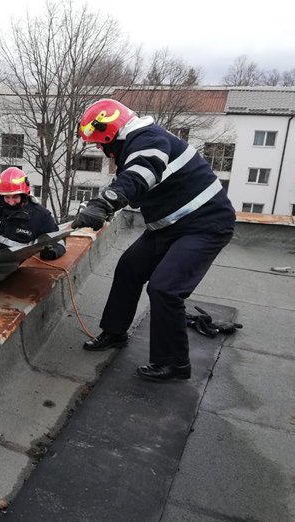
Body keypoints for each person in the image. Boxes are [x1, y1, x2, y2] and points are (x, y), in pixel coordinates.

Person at [72, 98, 236, 382]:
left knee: (165, 289)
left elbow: (140, 174)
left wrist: (103, 204)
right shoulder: (139, 141)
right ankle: (115, 332)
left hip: (205, 225)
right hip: (169, 225)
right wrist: (100, 207)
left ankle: (174, 364)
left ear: (111, 134)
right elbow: (137, 182)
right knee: (129, 269)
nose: (100, 148)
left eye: (100, 142)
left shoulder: (148, 139)